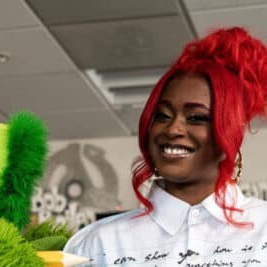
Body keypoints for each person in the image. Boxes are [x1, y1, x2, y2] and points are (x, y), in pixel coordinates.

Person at [64, 27, 267, 266]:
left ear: (231, 132)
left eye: (196, 117)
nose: (172, 129)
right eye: (162, 115)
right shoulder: (97, 244)